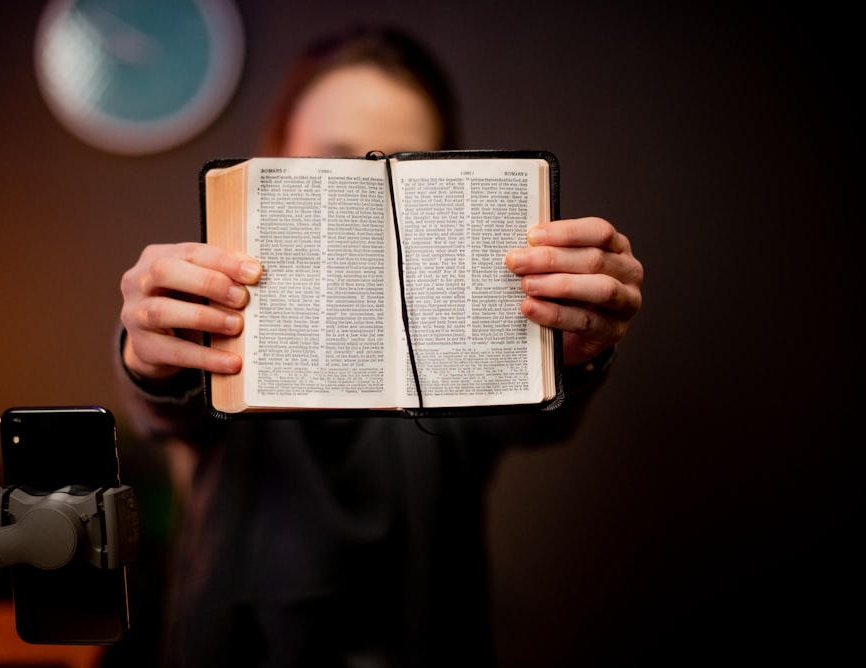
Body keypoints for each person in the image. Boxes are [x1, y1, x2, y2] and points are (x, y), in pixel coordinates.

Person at [116, 24, 643, 667]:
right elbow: (169, 407)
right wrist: (149, 355)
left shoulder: (473, 297)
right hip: (234, 640)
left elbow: (529, 423)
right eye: (336, 159)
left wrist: (574, 351)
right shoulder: (216, 290)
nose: (365, 189)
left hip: (425, 635)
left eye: (396, 166)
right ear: (278, 154)